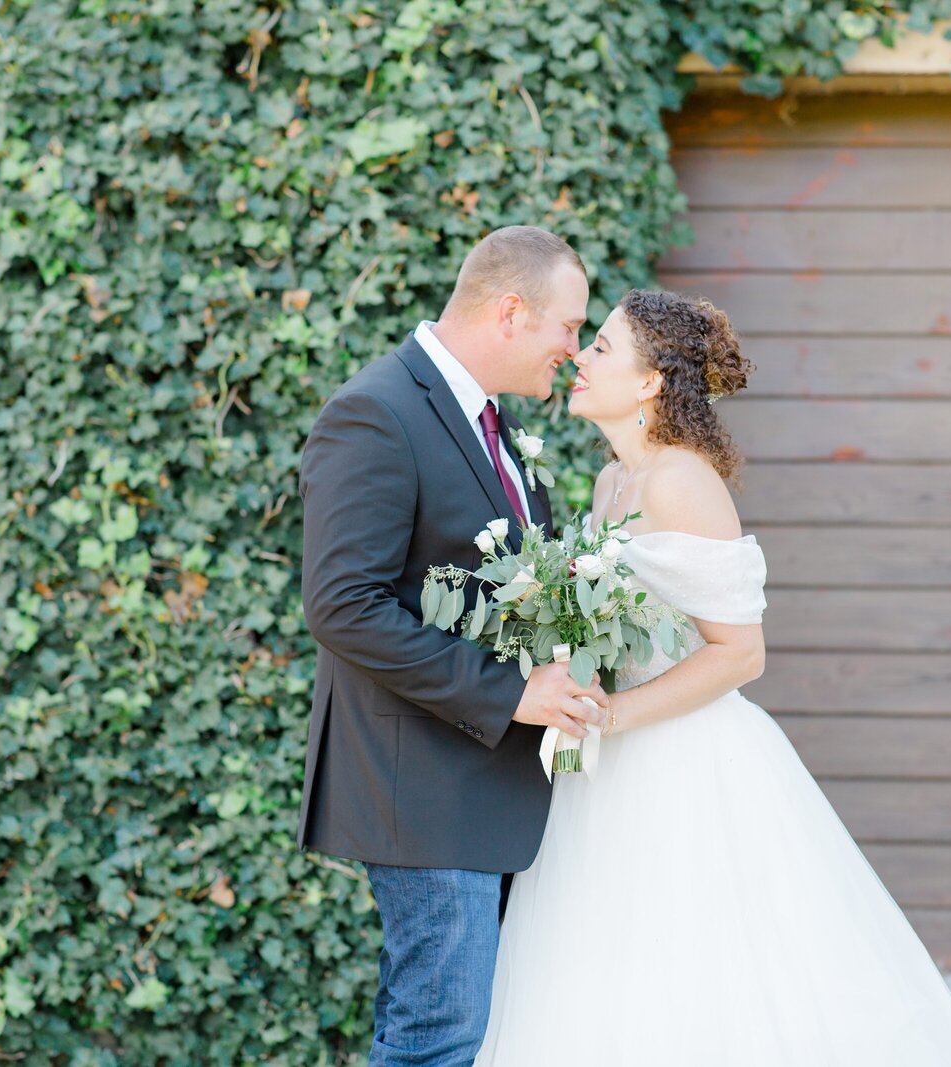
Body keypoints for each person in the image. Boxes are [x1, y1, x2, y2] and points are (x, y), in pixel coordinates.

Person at [474, 289, 951, 1065]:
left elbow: (740, 653)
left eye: (603, 348)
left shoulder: (681, 481)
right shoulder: (612, 480)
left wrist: (613, 712)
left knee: (705, 969)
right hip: (605, 770)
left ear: (650, 383)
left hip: (686, 763)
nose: (581, 358)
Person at [298, 226, 609, 1067]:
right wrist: (511, 694)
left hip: (486, 791)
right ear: (512, 310)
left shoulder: (489, 423)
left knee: (476, 1040)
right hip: (424, 792)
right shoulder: (377, 412)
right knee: (437, 1043)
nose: (573, 349)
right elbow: (342, 606)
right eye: (570, 326)